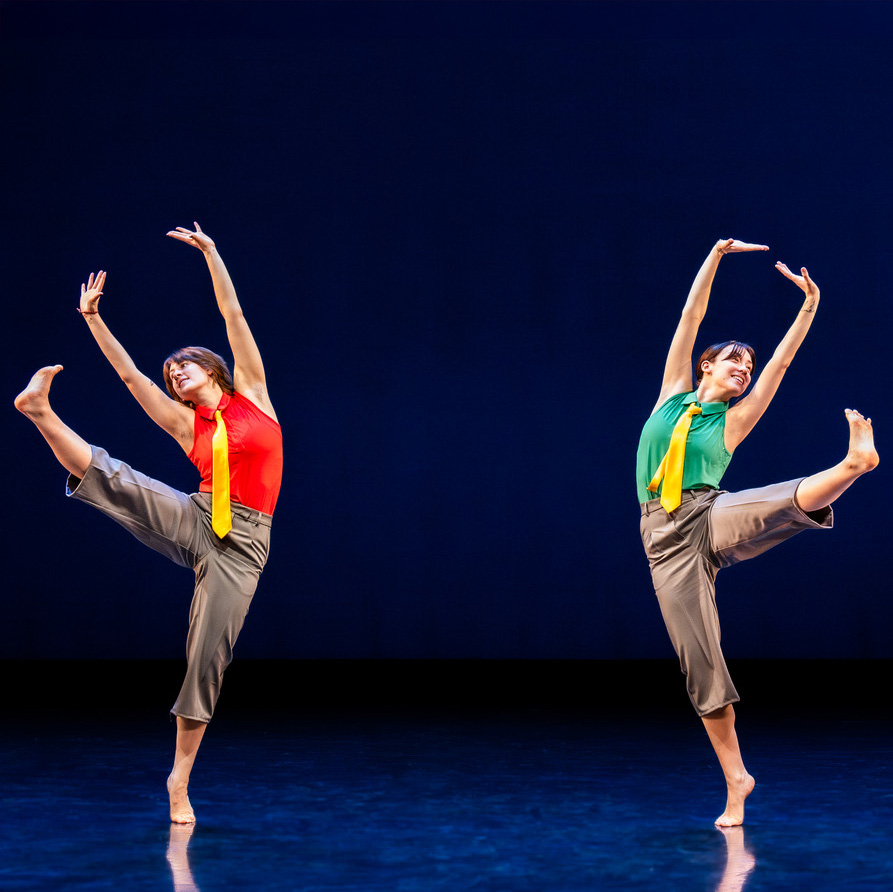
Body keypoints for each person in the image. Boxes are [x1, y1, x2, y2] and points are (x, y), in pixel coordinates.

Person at [15, 224, 282, 824]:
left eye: (185, 367)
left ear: (212, 370)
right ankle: (38, 411)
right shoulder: (189, 427)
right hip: (197, 516)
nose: (176, 374)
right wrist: (93, 319)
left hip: (245, 543)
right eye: (173, 374)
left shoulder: (254, 397)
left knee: (206, 655)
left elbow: (232, 311)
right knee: (114, 477)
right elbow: (132, 375)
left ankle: (179, 778)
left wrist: (213, 253)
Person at [636, 237, 877, 826]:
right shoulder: (672, 395)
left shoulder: (735, 420)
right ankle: (737, 780)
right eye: (734, 361)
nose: (744, 369)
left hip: (706, 512)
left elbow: (782, 363)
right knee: (701, 661)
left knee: (769, 502)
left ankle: (851, 465)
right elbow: (691, 316)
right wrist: (715, 256)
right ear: (706, 367)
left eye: (748, 364)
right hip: (661, 539)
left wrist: (810, 304)